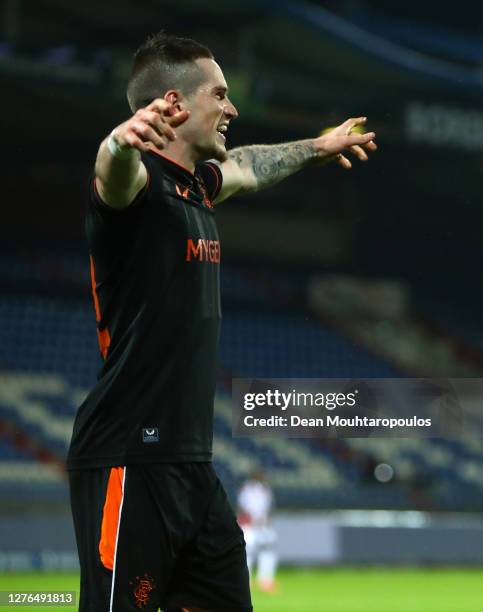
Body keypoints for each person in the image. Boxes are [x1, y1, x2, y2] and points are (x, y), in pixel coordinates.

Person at [66, 31, 377, 612]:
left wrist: (318, 144)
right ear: (176, 106)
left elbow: (249, 167)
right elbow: (112, 173)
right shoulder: (136, 189)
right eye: (221, 94)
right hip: (129, 457)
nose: (232, 108)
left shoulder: (197, 190)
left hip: (191, 464)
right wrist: (119, 141)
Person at [238, 471, 278, 592]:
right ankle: (250, 581)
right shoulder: (248, 488)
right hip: (250, 524)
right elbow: (243, 507)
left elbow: (268, 507)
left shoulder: (263, 489)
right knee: (248, 553)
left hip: (261, 525)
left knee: (266, 550)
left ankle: (264, 580)